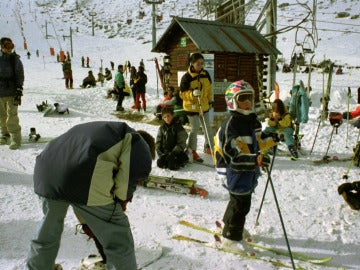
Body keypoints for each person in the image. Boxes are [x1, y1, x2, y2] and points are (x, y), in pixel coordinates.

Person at [26, 121, 156, 270]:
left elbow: (78, 197)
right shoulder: (138, 141)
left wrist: (88, 222)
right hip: (83, 174)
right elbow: (127, 180)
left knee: (47, 231)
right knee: (118, 240)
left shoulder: (107, 134)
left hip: (46, 172)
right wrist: (121, 201)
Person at [213, 80, 277, 252]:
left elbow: (257, 143)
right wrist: (256, 159)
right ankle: (231, 238)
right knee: (241, 204)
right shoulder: (232, 124)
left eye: (250, 98)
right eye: (243, 99)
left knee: (238, 201)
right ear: (232, 101)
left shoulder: (252, 120)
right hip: (233, 170)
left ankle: (229, 225)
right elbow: (233, 155)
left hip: (248, 170)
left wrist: (271, 140)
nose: (248, 102)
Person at [180, 53, 213, 162]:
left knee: (207, 127)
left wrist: (210, 100)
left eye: (202, 63)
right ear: (192, 63)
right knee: (194, 128)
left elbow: (209, 89)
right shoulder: (187, 77)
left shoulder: (206, 74)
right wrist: (192, 94)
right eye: (198, 63)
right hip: (191, 107)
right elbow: (182, 94)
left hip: (203, 105)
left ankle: (208, 147)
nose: (200, 65)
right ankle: (191, 151)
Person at [0, 37, 24, 150]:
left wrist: (19, 89)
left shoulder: (15, 59)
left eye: (11, 46)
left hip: (12, 91)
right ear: (1, 47)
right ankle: (5, 134)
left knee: (12, 116)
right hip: (0, 92)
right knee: (2, 116)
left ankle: (15, 138)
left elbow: (20, 74)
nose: (9, 49)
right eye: (7, 46)